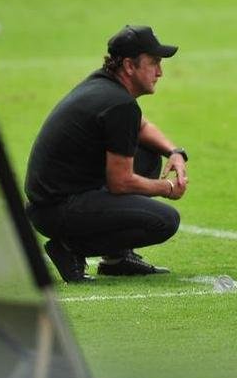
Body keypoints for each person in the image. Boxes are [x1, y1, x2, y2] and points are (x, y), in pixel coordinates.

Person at [24, 25, 189, 282]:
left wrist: (174, 152)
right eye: (153, 63)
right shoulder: (118, 104)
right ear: (129, 66)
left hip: (52, 202)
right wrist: (168, 188)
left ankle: (117, 258)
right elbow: (120, 182)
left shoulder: (105, 86)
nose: (160, 72)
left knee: (148, 154)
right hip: (59, 209)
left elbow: (143, 127)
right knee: (165, 220)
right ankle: (69, 248)